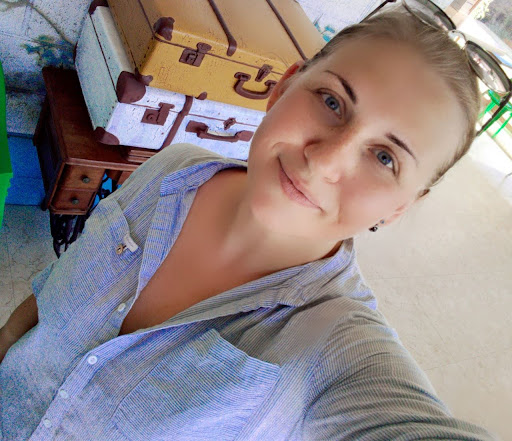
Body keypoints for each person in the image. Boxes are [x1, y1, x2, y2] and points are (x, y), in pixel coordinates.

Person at [0, 4, 500, 440]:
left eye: (385, 158)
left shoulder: (334, 345)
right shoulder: (174, 166)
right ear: (283, 87)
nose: (324, 162)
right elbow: (49, 299)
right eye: (332, 101)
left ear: (400, 208)